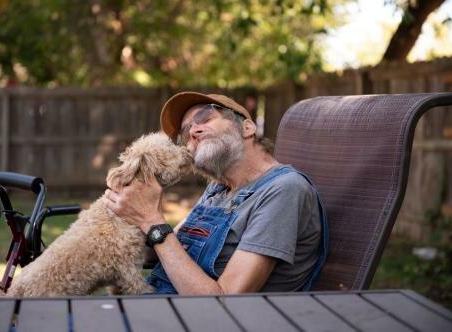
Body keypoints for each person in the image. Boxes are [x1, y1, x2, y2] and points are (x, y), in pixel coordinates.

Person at [104, 91, 327, 295]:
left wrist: (153, 222)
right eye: (185, 133)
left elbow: (225, 301)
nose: (193, 131)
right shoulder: (217, 190)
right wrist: (129, 220)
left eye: (205, 118)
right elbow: (168, 248)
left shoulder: (284, 190)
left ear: (247, 128)